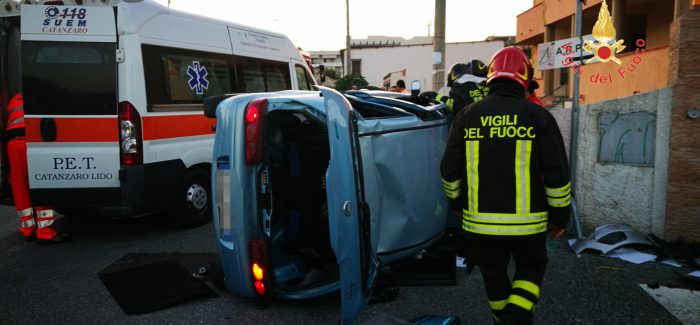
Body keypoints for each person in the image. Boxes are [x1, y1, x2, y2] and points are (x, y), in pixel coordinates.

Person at [440, 47, 570, 325]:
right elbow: (557, 175)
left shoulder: (468, 116)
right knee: (532, 268)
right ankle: (515, 319)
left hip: (480, 225)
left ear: (491, 77)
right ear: (524, 78)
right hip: (529, 226)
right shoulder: (537, 116)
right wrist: (560, 218)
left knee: (493, 275)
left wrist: (457, 205)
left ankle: (505, 320)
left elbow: (449, 171)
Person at [5, 93, 69, 244]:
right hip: (32, 141)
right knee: (41, 180)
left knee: (20, 185)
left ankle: (28, 230)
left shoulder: (14, 99)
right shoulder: (40, 95)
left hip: (13, 143)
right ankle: (45, 232)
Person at [425, 59, 490, 118]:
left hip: (467, 124)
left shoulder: (461, 87)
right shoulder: (486, 86)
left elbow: (454, 105)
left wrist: (434, 96)